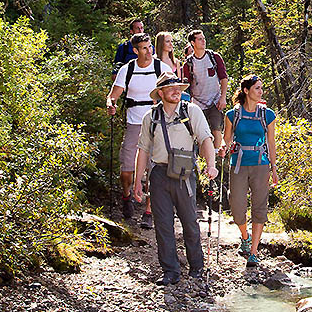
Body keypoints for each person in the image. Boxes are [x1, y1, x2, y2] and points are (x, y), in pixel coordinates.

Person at [134, 73, 218, 286]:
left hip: (185, 173)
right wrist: (138, 181)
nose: (176, 91)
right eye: (170, 88)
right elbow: (143, 149)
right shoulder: (150, 117)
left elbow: (206, 139)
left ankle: (197, 267)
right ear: (160, 93)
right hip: (159, 174)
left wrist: (211, 165)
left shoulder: (192, 111)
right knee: (163, 224)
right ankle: (170, 271)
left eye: (178, 87)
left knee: (190, 221)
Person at [107, 33, 164, 221]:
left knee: (153, 169)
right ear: (135, 50)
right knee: (126, 169)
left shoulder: (160, 68)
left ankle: (148, 211)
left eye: (150, 47)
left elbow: (173, 90)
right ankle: (127, 197)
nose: (149, 51)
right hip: (133, 123)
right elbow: (113, 94)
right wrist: (111, 104)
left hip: (156, 123)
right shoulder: (127, 69)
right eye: (145, 48)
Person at [222, 74, 278, 267]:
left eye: (261, 88)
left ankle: (254, 251)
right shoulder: (232, 115)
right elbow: (227, 138)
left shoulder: (267, 115)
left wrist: (274, 168)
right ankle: (245, 237)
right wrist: (222, 147)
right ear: (246, 91)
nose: (261, 92)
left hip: (261, 164)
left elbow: (271, 143)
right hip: (238, 163)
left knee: (259, 206)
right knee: (237, 206)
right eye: (257, 88)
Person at [182, 30, 229, 152]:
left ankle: (217, 158)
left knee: (216, 129)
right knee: (202, 134)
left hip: (215, 100)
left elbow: (223, 78)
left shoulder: (214, 57)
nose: (203, 41)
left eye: (204, 38)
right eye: (200, 39)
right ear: (193, 43)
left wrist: (223, 97)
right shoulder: (188, 64)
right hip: (198, 103)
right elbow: (187, 86)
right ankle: (204, 161)